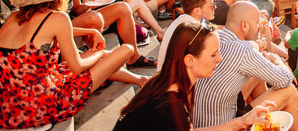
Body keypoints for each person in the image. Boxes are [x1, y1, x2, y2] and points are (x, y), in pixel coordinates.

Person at [0, 0, 141, 130]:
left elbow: (46, 32)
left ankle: (141, 80)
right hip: (36, 107)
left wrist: (90, 31)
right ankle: (139, 78)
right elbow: (77, 67)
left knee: (92, 56)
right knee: (126, 50)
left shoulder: (13, 17)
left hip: (1, 109)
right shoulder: (57, 18)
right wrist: (100, 53)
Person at [115, 22, 273, 131]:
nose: (219, 58)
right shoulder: (171, 107)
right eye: (213, 54)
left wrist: (241, 122)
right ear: (189, 60)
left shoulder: (164, 83)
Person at [193, 1, 298, 130]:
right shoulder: (244, 50)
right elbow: (285, 80)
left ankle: (268, 122)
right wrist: (277, 60)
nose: (259, 26)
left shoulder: (216, 36)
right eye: (257, 22)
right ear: (245, 25)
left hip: (203, 121)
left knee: (257, 75)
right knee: (290, 91)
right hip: (227, 125)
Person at [157, 0, 215, 69]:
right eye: (211, 5)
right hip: (176, 79)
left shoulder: (182, 20)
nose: (214, 7)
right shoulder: (193, 31)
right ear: (197, 10)